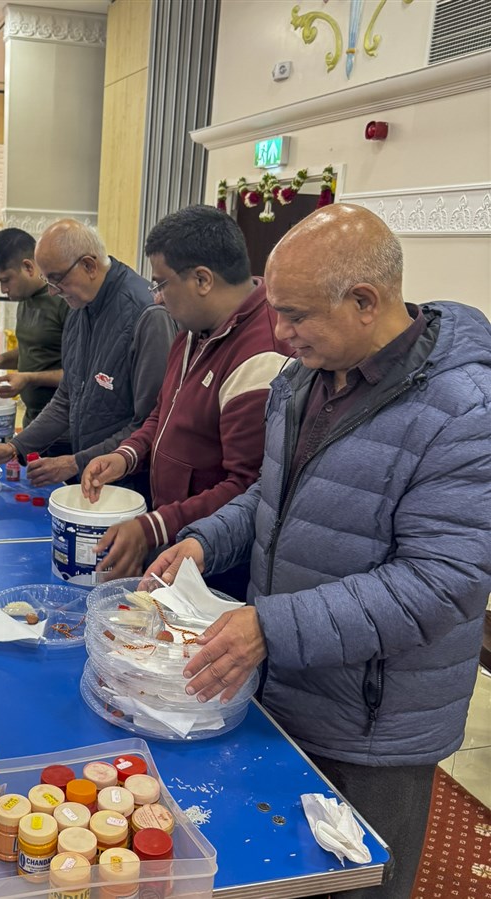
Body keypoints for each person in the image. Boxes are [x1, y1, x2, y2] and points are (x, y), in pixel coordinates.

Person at [147, 204, 491, 899]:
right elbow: (269, 493)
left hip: (376, 725)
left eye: (296, 315)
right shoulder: (304, 376)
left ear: (365, 302)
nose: (279, 333)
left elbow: (443, 581)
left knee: (359, 883)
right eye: (276, 311)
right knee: (280, 872)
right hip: (289, 687)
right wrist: (205, 540)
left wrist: (272, 626)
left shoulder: (464, 410)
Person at [80, 206, 291, 583]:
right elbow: (162, 415)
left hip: (215, 562)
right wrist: (125, 456)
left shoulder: (261, 355)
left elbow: (247, 488)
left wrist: (152, 527)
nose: (157, 299)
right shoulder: (193, 331)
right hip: (174, 539)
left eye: (161, 284)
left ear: (202, 280)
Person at [0, 219, 176, 489]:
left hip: (130, 486)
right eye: (47, 281)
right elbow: (66, 399)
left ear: (89, 266)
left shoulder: (147, 315)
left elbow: (152, 423)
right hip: (91, 479)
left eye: (56, 279)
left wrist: (75, 462)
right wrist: (14, 448)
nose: (52, 291)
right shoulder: (80, 308)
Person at [0, 228, 68, 438]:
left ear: (28, 267)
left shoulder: (64, 301)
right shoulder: (26, 298)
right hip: (33, 422)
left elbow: (79, 374)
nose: (3, 289)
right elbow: (33, 350)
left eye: (6, 280)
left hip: (62, 430)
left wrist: (28, 378)